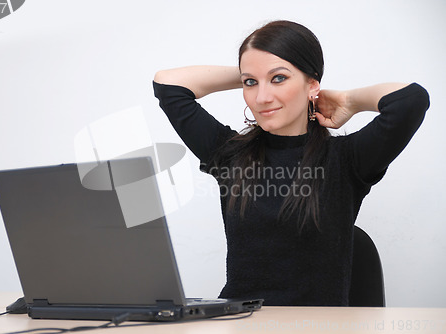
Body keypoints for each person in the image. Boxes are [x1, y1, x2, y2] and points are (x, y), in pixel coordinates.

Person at [152, 20, 429, 306]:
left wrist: (349, 100)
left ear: (312, 84)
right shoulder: (230, 155)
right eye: (250, 83)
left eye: (279, 79)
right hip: (242, 324)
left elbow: (411, 100)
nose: (262, 97)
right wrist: (255, 69)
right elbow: (169, 85)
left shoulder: (347, 159)